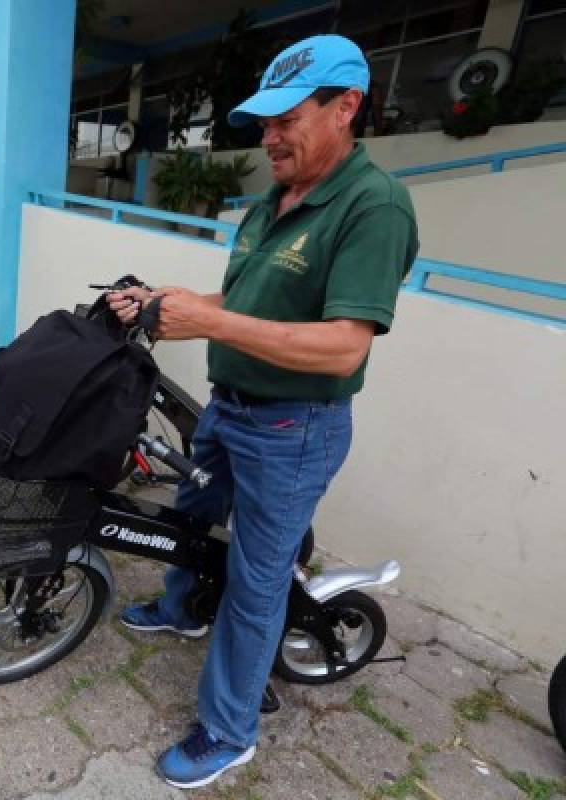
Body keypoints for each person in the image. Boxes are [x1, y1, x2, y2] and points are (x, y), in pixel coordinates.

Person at [108, 35, 418, 789]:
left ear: (346, 108)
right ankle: (182, 608)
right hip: (231, 407)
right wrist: (162, 301)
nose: (269, 136)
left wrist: (210, 324)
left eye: (287, 118)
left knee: (256, 580)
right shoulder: (269, 203)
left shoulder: (373, 206)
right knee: (189, 510)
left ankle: (228, 730)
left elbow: (344, 347)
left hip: (293, 428)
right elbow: (238, 302)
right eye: (264, 121)